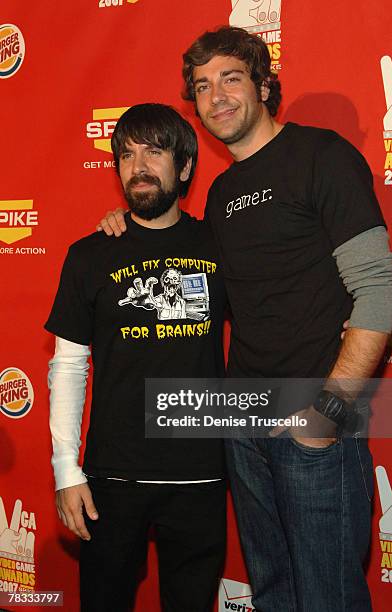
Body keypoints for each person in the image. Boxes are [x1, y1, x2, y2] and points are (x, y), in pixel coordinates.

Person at [97, 27, 392, 612]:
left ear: (263, 84)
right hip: (243, 421)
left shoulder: (322, 155)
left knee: (327, 597)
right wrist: (126, 229)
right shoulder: (223, 193)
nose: (217, 96)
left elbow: (380, 292)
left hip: (314, 417)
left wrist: (328, 415)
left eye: (232, 78)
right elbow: (191, 285)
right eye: (203, 86)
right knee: (275, 592)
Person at [45, 103, 228, 612]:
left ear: (185, 167)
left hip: (201, 475)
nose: (138, 166)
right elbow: (69, 365)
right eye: (126, 154)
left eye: (154, 151)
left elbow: (275, 312)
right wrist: (66, 468)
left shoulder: (219, 245)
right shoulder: (90, 253)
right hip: (111, 481)